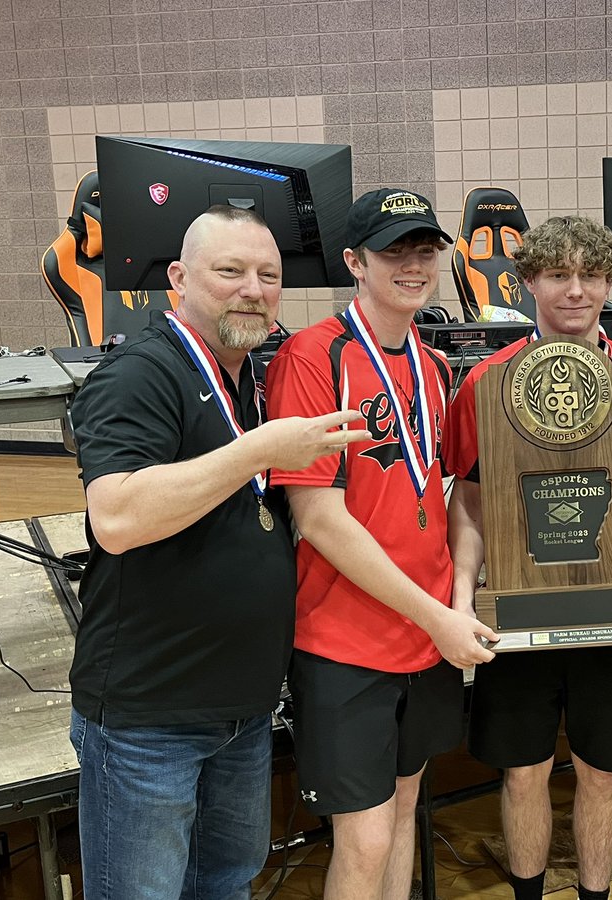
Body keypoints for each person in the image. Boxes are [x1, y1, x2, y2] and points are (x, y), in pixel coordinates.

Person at [68, 205, 368, 900]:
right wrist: (259, 450)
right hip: (150, 719)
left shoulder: (251, 379)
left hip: (241, 710)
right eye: (229, 271)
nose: (253, 289)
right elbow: (115, 517)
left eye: (268, 275)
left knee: (225, 884)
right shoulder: (139, 375)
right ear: (177, 277)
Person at [265, 187, 498, 900]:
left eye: (425, 249)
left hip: (426, 639)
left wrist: (453, 603)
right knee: (363, 840)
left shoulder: (431, 367)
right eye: (393, 249)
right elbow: (322, 519)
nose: (413, 263)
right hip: (345, 642)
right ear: (353, 262)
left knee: (402, 817)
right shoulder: (313, 357)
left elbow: (450, 494)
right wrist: (439, 617)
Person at [447, 215, 612, 900]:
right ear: (529, 282)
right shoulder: (487, 383)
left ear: (610, 280)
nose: (576, 291)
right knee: (524, 770)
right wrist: (464, 594)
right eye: (558, 274)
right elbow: (470, 497)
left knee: (604, 771)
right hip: (519, 608)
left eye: (592, 274)